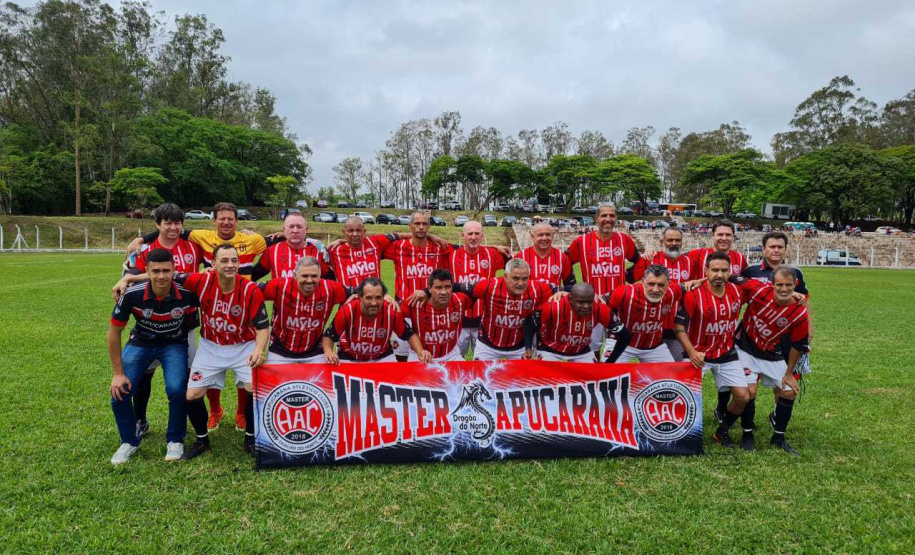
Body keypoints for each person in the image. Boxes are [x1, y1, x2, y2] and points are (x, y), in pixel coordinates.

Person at [128, 202, 271, 431]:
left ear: (237, 220)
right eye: (221, 218)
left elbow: (275, 244)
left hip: (218, 317)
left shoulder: (243, 241)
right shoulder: (198, 238)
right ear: (213, 221)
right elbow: (167, 235)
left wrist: (283, 233)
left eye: (231, 219)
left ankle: (241, 414)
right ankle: (212, 411)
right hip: (176, 319)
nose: (226, 222)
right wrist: (142, 241)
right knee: (175, 375)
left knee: (241, 380)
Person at [107, 249, 199, 464]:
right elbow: (113, 333)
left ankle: (175, 439)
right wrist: (118, 373)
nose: (161, 276)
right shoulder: (132, 294)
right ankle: (129, 441)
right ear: (147, 271)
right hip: (141, 342)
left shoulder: (187, 294)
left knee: (177, 389)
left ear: (174, 270)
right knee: (119, 391)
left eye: (166, 270)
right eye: (155, 271)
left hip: (173, 344)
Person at [126, 203, 203, 438]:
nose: (173, 227)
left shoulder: (193, 247)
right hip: (150, 323)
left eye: (177, 222)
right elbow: (130, 279)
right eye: (167, 222)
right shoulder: (144, 249)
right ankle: (140, 420)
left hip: (184, 324)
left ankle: (185, 426)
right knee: (143, 376)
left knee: (185, 378)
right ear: (158, 224)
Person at [729, 268, 810, 455]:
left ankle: (778, 437)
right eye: (779, 284)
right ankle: (747, 434)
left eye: (788, 285)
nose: (783, 289)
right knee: (750, 391)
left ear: (795, 285)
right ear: (771, 284)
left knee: (789, 391)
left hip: (772, 354)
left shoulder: (799, 312)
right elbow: (733, 277)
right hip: (745, 348)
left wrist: (789, 374)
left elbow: (798, 345)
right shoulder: (758, 290)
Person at [413, 259, 555, 361]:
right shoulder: (489, 286)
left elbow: (568, 290)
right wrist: (426, 291)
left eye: (525, 278)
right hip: (488, 346)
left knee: (522, 383)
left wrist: (562, 293)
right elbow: (456, 286)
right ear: (505, 276)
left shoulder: (538, 288)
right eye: (515, 278)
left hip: (519, 347)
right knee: (480, 381)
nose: (521, 283)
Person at [674, 252, 749, 448]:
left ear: (730, 271)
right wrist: (691, 352)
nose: (719, 274)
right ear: (706, 271)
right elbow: (679, 328)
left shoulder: (737, 291)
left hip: (726, 353)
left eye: (724, 270)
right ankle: (679, 434)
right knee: (681, 397)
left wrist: (796, 293)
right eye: (715, 270)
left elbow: (767, 291)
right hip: (698, 354)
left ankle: (722, 432)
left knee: (743, 397)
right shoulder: (693, 294)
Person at [566, 203, 641, 360]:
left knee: (614, 347)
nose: (608, 219)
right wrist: (572, 288)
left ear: (616, 219)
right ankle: (595, 374)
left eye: (611, 216)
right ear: (596, 219)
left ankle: (608, 373)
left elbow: (638, 263)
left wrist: (628, 277)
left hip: (619, 303)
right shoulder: (582, 241)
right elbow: (564, 263)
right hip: (593, 304)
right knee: (592, 346)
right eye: (604, 216)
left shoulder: (624, 240)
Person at [383, 211, 454, 360]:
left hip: (429, 313)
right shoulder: (397, 247)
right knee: (401, 356)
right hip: (404, 311)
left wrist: (495, 246)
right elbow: (371, 245)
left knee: (429, 355)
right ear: (410, 226)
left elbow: (468, 247)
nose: (421, 227)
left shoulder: (439, 247)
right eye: (417, 224)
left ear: (429, 226)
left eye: (424, 224)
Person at [260, 256, 351, 364]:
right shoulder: (280, 285)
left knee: (320, 381)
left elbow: (363, 292)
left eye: (314, 276)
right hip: (279, 350)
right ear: (295, 276)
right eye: (304, 276)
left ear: (320, 276)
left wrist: (356, 296)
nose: (309, 280)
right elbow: (250, 293)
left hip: (315, 350)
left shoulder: (331, 288)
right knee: (277, 381)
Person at [323, 278, 430, 364]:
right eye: (369, 298)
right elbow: (329, 336)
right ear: (359, 296)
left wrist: (421, 352)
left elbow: (409, 335)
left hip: (382, 357)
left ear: (384, 297)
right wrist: (328, 351)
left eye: (378, 298)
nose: (374, 303)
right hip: (349, 357)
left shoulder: (391, 312)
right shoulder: (347, 311)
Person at [628, 226, 694, 360]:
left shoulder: (690, 262)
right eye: (670, 240)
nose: (674, 243)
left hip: (677, 323)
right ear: (662, 241)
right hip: (651, 323)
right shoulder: (649, 259)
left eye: (677, 240)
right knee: (652, 366)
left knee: (675, 364)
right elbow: (634, 285)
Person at [447, 221, 511, 357]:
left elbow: (513, 268)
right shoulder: (451, 255)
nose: (473, 237)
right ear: (463, 235)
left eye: (477, 234)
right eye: (470, 234)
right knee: (455, 360)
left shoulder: (493, 255)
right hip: (458, 319)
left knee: (483, 361)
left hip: (484, 320)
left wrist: (496, 247)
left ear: (482, 236)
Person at [606, 264, 691, 363]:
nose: (655, 289)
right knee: (608, 374)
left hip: (653, 348)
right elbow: (600, 304)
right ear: (642, 282)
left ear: (668, 284)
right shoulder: (624, 292)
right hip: (620, 343)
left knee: (669, 376)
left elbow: (689, 285)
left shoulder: (673, 292)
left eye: (660, 285)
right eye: (651, 284)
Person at [525, 283, 629, 363]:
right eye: (581, 302)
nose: (586, 306)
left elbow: (625, 335)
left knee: (593, 382)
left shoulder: (600, 309)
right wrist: (528, 348)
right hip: (550, 350)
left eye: (589, 302)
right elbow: (529, 323)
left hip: (580, 351)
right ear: (570, 299)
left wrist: (610, 362)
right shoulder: (553, 307)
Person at [401, 269, 470, 362]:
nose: (444, 292)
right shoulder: (415, 303)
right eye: (438, 288)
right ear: (429, 288)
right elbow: (393, 313)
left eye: (447, 287)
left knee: (466, 375)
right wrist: (385, 296)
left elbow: (478, 290)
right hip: (419, 356)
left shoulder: (461, 300)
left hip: (451, 355)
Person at [326, 216, 404, 287]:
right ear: (344, 232)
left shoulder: (374, 242)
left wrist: (415, 236)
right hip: (349, 301)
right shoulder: (334, 250)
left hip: (375, 300)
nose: (355, 234)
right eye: (350, 231)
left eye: (358, 230)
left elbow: (397, 235)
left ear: (364, 231)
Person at [251, 211, 330, 281]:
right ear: (284, 229)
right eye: (291, 226)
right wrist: (246, 235)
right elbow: (251, 277)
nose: (295, 231)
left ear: (306, 229)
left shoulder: (318, 252)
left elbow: (332, 282)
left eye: (299, 227)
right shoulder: (272, 251)